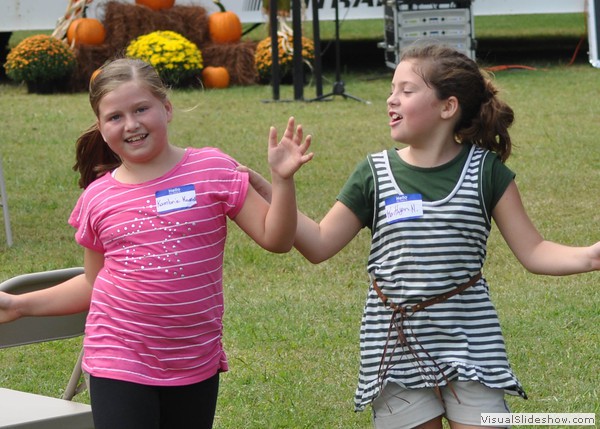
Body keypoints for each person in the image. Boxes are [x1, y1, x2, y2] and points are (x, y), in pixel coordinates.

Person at [241, 43, 600, 429]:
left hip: (472, 343)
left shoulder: (485, 171)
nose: (391, 99)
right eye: (391, 89)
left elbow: (535, 251)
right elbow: (318, 243)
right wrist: (280, 185)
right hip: (395, 349)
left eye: (407, 90)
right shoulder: (373, 173)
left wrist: (592, 256)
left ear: (448, 107)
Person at [0, 58, 313, 429]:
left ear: (167, 108)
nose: (131, 124)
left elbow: (276, 239)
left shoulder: (212, 169)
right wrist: (19, 305)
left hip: (194, 360)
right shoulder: (97, 198)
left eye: (141, 109)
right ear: (101, 128)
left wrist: (282, 181)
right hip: (117, 358)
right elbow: (92, 282)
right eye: (115, 117)